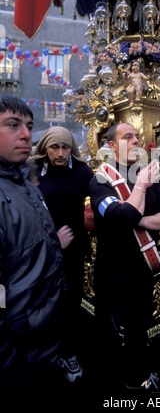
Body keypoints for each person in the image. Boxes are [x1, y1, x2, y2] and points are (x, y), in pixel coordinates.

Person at [89, 122, 160, 392]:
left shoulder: (149, 176)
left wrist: (139, 220)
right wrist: (139, 186)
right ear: (112, 146)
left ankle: (136, 379)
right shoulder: (100, 180)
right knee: (111, 334)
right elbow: (120, 217)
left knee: (139, 330)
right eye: (128, 137)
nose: (137, 140)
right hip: (112, 273)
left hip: (141, 272)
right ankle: (112, 384)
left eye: (138, 136)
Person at [0, 95, 66, 393]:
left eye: (28, 125)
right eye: (12, 125)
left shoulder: (25, 186)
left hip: (43, 344)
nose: (26, 134)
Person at [28, 126, 94, 382]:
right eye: (54, 147)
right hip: (40, 250)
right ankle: (45, 350)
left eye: (65, 147)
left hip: (74, 251)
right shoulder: (31, 172)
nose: (60, 152)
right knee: (44, 302)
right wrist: (52, 241)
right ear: (45, 147)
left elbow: (100, 197)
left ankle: (67, 352)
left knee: (71, 303)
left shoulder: (82, 172)